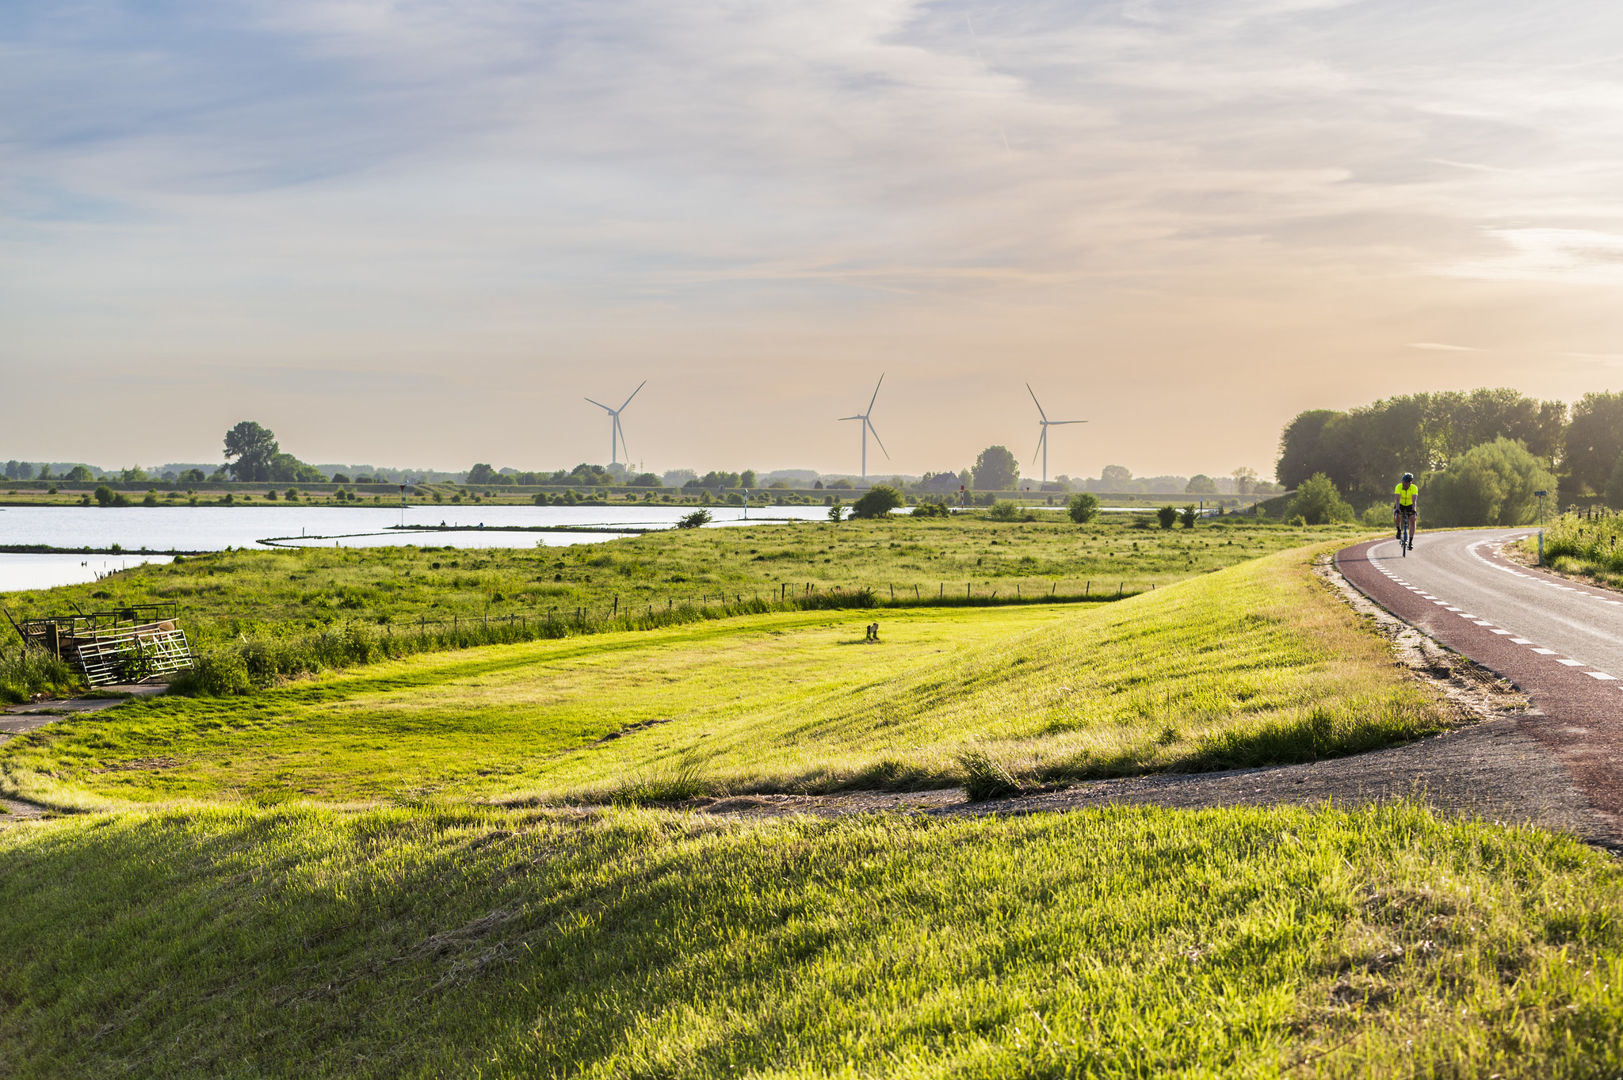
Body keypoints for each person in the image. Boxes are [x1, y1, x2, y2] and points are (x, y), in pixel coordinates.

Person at [1393, 472, 1419, 543]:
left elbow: (1414, 501)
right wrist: (1397, 509)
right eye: (1403, 482)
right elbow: (1397, 499)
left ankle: (1410, 541)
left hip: (1410, 505)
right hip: (1400, 504)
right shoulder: (1398, 486)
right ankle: (1398, 530)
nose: (1404, 484)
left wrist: (1413, 510)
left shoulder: (1414, 488)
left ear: (1410, 483)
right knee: (1396, 515)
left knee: (1413, 520)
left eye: (1406, 483)